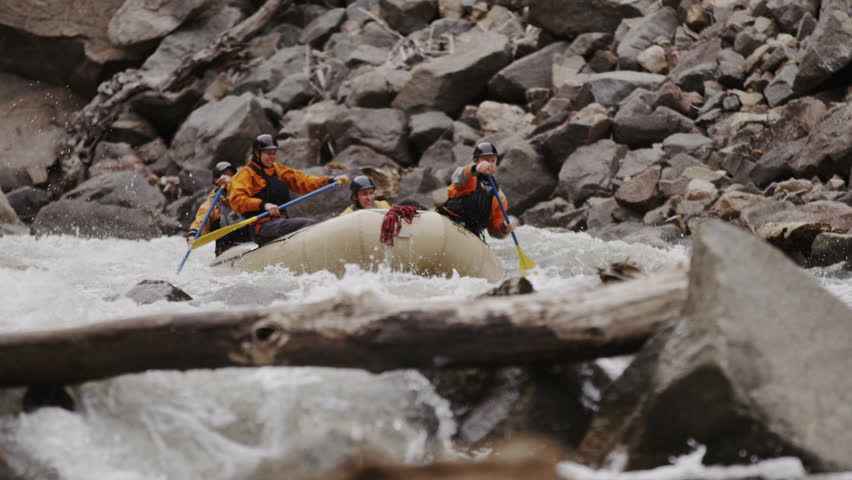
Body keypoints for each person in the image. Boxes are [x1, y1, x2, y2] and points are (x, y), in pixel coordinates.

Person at [227, 134, 349, 246]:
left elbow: (303, 181)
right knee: (308, 224)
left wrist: (330, 180)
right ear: (257, 154)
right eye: (268, 153)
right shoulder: (245, 174)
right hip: (262, 227)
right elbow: (237, 201)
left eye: (274, 153)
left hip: (280, 221)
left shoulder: (277, 169)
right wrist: (263, 205)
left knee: (308, 223)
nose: (272, 157)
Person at [436, 141, 517, 240]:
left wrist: (504, 227)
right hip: (449, 221)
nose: (489, 164)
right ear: (475, 161)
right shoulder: (469, 177)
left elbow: (494, 231)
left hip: (470, 234)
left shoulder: (500, 197)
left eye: (492, 160)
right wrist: (475, 169)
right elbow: (457, 178)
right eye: (485, 160)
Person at [186, 161, 250, 255]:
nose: (228, 178)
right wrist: (192, 235)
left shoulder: (245, 194)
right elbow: (199, 223)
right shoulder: (210, 205)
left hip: (251, 244)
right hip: (227, 251)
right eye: (224, 175)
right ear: (216, 180)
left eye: (231, 175)